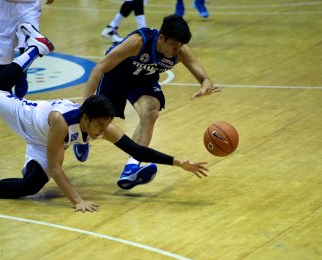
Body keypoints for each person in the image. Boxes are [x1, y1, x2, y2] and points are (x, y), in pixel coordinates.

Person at [0, 23, 209, 212]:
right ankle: (34, 50)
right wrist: (77, 200)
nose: (104, 130)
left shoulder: (100, 125)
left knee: (31, 186)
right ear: (86, 119)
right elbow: (57, 168)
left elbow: (136, 148)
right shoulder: (62, 121)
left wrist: (179, 163)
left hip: (42, 141)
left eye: (106, 125)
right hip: (26, 117)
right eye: (101, 125)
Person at [83, 15, 220, 189]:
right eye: (173, 45)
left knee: (151, 111)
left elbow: (204, 78)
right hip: (115, 75)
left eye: (180, 46)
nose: (176, 50)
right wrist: (85, 106)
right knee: (99, 120)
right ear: (161, 38)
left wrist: (206, 86)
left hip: (143, 82)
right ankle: (82, 138)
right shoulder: (138, 42)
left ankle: (132, 167)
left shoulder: (180, 50)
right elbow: (99, 68)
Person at [0, 0, 54, 98]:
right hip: (4, 7)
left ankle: (21, 79)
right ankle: (5, 98)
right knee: (4, 58)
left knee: (29, 46)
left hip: (30, 6)